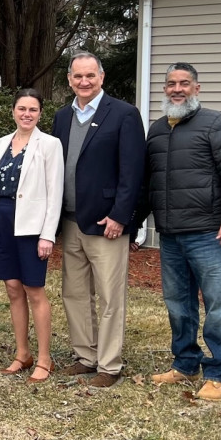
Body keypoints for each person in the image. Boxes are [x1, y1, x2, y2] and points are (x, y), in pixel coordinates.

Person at [139, 63, 221, 401]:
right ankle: (185, 363)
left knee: (217, 304)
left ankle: (218, 372)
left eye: (184, 83)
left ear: (197, 89)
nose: (177, 89)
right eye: (171, 83)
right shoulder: (156, 130)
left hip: (208, 234)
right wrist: (131, 225)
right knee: (178, 303)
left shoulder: (217, 124)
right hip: (169, 235)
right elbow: (149, 185)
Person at [51, 52, 146, 388]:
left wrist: (121, 215)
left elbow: (133, 171)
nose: (84, 82)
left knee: (109, 296)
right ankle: (85, 356)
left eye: (90, 75)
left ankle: (109, 364)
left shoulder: (123, 115)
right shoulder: (62, 117)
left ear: (101, 77)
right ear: (69, 79)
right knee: (74, 293)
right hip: (71, 221)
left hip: (107, 223)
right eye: (78, 76)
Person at [0, 89, 64, 383]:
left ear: (40, 114)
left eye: (33, 109)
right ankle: (23, 354)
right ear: (13, 111)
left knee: (34, 290)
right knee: (13, 289)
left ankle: (44, 359)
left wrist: (48, 235)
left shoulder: (49, 144)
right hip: (3, 222)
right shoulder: (2, 142)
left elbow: (55, 193)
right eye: (22, 108)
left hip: (32, 227)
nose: (27, 114)